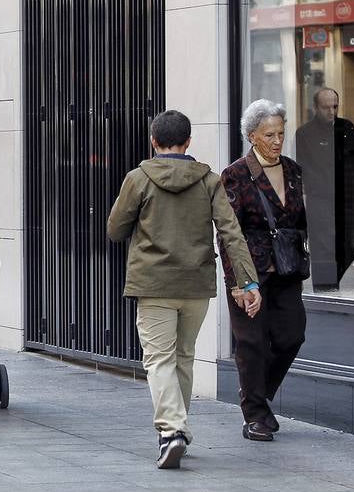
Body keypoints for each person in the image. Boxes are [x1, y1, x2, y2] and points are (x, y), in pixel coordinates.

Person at [107, 109, 263, 469]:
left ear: (153, 141)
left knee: (158, 359)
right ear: (188, 141)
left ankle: (172, 430)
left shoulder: (138, 179)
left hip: (154, 283)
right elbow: (230, 232)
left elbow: (115, 229)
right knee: (184, 357)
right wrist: (247, 281)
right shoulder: (208, 180)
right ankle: (177, 429)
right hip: (195, 285)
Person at [220, 99, 309, 442]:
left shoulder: (293, 169)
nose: (277, 140)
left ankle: (258, 394)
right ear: (252, 136)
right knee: (252, 342)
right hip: (250, 272)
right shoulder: (236, 174)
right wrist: (239, 284)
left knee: (292, 334)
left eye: (281, 133)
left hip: (286, 269)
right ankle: (255, 414)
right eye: (269, 134)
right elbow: (228, 233)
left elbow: (299, 220)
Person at [295, 87, 354, 288]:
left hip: (346, 200)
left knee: (350, 245)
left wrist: (352, 193)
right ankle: (325, 287)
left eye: (335, 106)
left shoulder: (348, 129)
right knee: (322, 249)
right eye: (326, 107)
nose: (331, 111)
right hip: (320, 200)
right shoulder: (305, 133)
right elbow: (305, 167)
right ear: (316, 107)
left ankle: (331, 281)